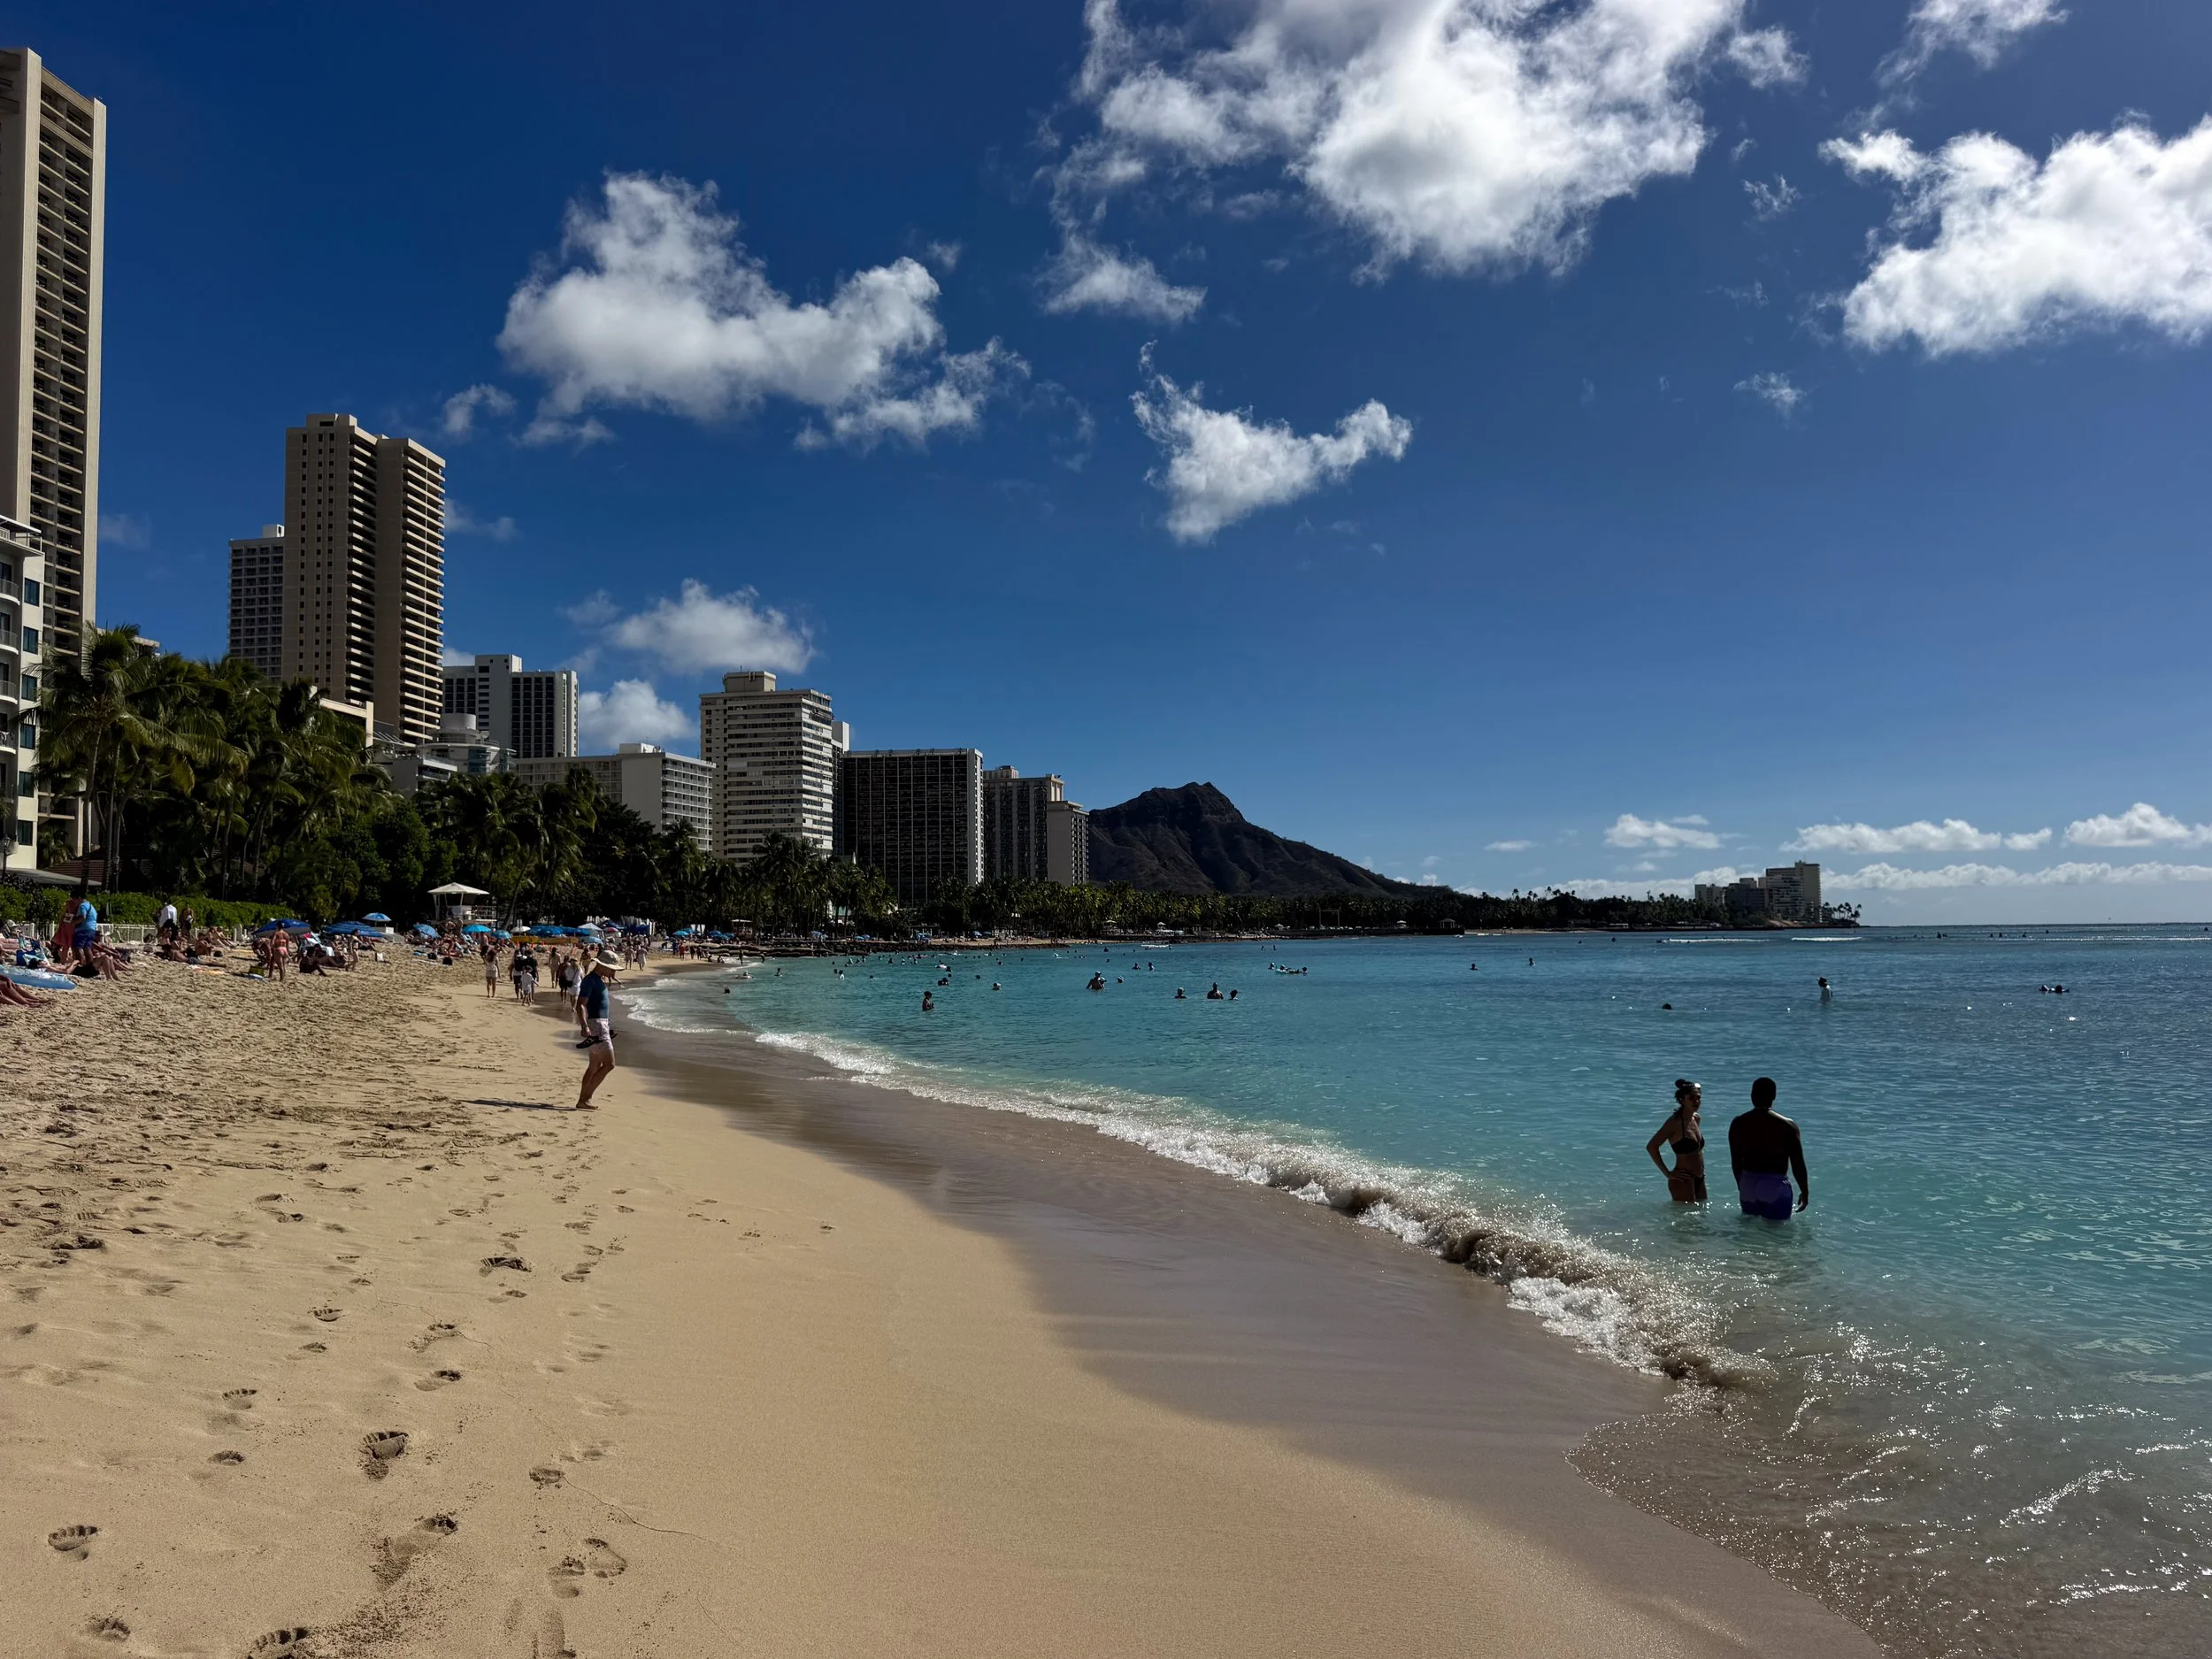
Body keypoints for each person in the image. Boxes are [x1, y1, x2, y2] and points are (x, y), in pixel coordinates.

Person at [1729, 1077, 1809, 1220]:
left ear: (1752, 1095)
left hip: (1748, 1184)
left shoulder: (1738, 1123)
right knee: (1778, 1236)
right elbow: (1798, 1164)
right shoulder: (1788, 1126)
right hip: (1775, 1185)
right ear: (1774, 1096)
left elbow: (1736, 1161)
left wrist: (1741, 1186)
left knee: (1748, 1234)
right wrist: (1805, 1192)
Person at [1646, 1079, 1707, 1203]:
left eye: (1698, 1098)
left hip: (1700, 1177)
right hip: (1683, 1179)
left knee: (1701, 1219)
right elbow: (1652, 1147)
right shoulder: (1674, 1123)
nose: (1696, 1101)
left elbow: (1696, 1150)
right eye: (1691, 1098)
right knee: (1684, 1221)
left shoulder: (1696, 1119)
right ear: (1682, 1100)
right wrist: (1667, 1174)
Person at [574, 949, 620, 1110]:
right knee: (610, 1064)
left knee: (594, 1066)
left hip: (601, 1024)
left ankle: (583, 1100)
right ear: (602, 966)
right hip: (597, 1026)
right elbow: (580, 1003)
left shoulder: (598, 980)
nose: (614, 971)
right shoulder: (590, 980)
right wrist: (584, 1025)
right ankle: (586, 1098)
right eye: (612, 968)